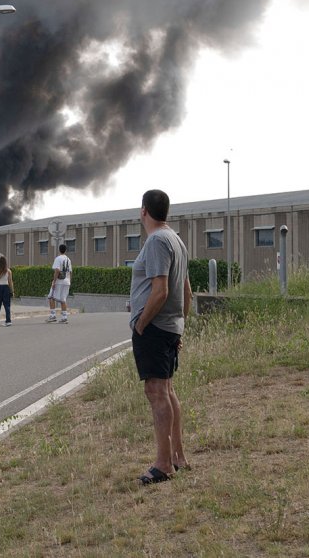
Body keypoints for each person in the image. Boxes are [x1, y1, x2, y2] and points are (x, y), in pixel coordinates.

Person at [129, 189, 193, 485]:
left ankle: (163, 464)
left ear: (144, 211)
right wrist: (180, 325)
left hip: (154, 328)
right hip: (170, 326)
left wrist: (141, 323)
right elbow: (187, 292)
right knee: (166, 390)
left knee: (156, 392)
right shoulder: (176, 240)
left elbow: (162, 290)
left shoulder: (155, 241)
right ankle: (177, 456)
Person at [46, 243, 71, 323]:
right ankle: (64, 317)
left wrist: (54, 281)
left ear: (59, 250)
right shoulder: (68, 259)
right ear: (66, 250)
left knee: (51, 297)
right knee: (63, 299)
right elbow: (70, 272)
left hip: (59, 281)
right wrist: (70, 281)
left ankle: (53, 316)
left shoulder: (58, 258)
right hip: (67, 281)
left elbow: (57, 270)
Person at [0, 254, 14, 326]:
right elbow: (10, 282)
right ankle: (8, 321)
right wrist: (12, 291)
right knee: (7, 305)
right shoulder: (8, 271)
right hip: (6, 288)